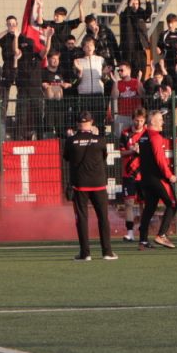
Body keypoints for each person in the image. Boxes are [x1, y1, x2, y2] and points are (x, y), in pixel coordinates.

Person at [64, 112, 117, 261]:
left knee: (81, 218)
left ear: (77, 124)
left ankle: (85, 253)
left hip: (80, 184)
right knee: (103, 218)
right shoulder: (100, 140)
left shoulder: (71, 141)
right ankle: (107, 252)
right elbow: (104, 156)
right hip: (98, 183)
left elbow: (66, 157)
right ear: (91, 122)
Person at [136, 110, 177, 250]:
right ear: (152, 121)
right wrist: (169, 175)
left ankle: (143, 241)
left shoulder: (143, 136)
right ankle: (162, 235)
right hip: (157, 178)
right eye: (160, 120)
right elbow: (160, 159)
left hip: (146, 178)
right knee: (173, 204)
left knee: (149, 208)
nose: (163, 122)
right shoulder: (155, 137)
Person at [118, 108, 148, 241]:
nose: (139, 123)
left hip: (144, 174)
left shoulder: (147, 134)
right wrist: (132, 151)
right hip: (129, 174)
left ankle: (143, 230)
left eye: (141, 121)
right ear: (132, 120)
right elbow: (121, 152)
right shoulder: (125, 133)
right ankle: (130, 233)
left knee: (144, 203)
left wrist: (142, 151)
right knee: (129, 203)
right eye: (137, 120)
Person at [118, 0, 154, 75]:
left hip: (140, 48)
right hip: (128, 49)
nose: (135, 6)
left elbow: (148, 12)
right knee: (129, 73)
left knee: (141, 71)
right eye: (133, 3)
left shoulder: (141, 13)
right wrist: (131, 1)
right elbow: (127, 13)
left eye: (137, 3)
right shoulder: (125, 14)